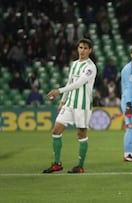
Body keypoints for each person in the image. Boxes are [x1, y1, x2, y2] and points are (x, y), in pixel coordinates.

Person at [42, 38, 97, 174]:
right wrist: (63, 100)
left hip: (82, 105)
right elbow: (69, 82)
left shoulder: (90, 67)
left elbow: (79, 83)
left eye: (85, 48)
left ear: (90, 50)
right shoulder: (74, 64)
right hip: (70, 103)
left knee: (81, 134)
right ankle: (57, 163)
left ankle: (80, 166)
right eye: (80, 47)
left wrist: (58, 91)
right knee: (56, 130)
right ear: (77, 49)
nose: (82, 50)